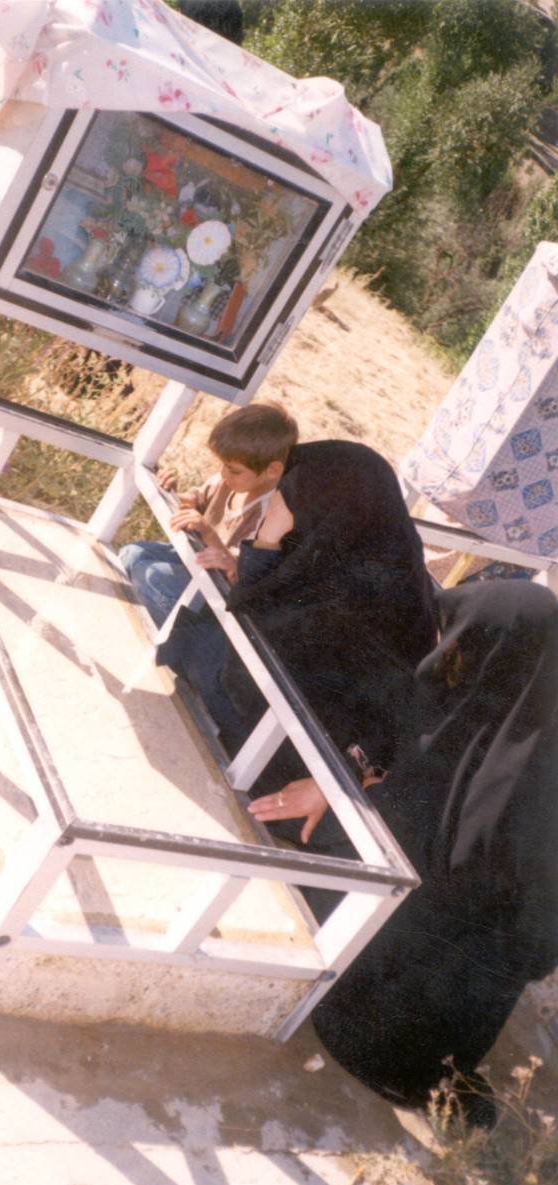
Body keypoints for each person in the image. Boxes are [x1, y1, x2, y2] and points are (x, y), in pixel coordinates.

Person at [249, 581, 558, 1125]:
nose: (450, 652)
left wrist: (364, 791)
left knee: (288, 850)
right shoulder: (524, 729)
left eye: (464, 641)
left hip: (378, 1010)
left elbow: (440, 843)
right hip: (451, 1015)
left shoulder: (497, 753)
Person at [171, 440, 437, 804]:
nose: (283, 498)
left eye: (294, 491)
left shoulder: (364, 583)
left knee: (183, 621)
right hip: (301, 710)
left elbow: (253, 618)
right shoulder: (373, 547)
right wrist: (262, 546)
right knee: (174, 599)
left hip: (301, 745)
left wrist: (268, 536)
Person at [119, 403, 298, 627]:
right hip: (199, 562)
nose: (224, 474)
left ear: (272, 470)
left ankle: (184, 637)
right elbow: (197, 500)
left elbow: (239, 574)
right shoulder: (230, 481)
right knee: (131, 553)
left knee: (151, 577)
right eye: (223, 465)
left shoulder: (271, 514)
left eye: (233, 470)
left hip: (220, 594)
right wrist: (171, 491)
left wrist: (207, 532)